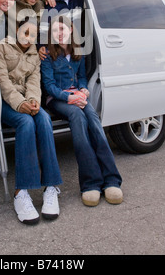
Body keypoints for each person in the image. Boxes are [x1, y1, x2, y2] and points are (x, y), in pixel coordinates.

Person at [40, 15, 123, 207]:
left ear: (71, 30)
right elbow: (49, 86)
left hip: (77, 95)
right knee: (77, 116)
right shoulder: (47, 55)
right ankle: (90, 183)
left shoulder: (79, 52)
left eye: (62, 29)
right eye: (54, 31)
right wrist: (69, 97)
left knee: (93, 118)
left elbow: (82, 77)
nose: (59, 34)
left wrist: (84, 90)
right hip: (58, 99)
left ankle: (111, 180)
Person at [0, 17, 62, 224]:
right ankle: (21, 192)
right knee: (25, 122)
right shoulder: (1, 47)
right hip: (4, 102)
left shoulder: (35, 54)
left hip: (26, 101)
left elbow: (34, 82)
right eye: (25, 32)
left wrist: (33, 101)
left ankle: (50, 187)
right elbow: (1, 81)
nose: (28, 37)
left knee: (44, 119)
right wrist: (19, 103)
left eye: (32, 34)